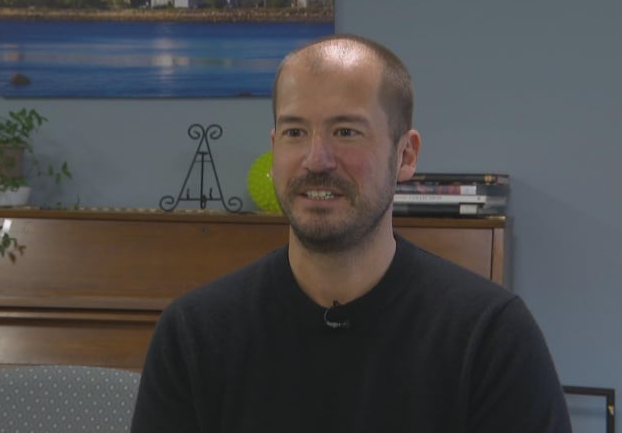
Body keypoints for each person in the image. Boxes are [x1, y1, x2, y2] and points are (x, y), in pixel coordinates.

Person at [131, 33, 572, 432]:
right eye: (295, 131)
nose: (316, 159)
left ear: (405, 155)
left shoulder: (491, 337)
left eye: (346, 131)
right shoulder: (194, 334)